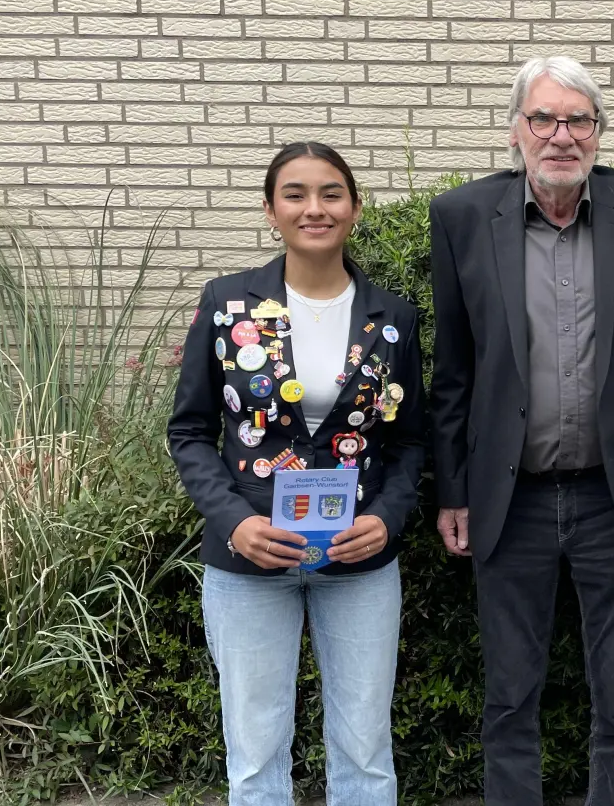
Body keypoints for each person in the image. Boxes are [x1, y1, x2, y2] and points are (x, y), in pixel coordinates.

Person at [427, 55, 614, 806]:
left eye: (578, 119)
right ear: (516, 130)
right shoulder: (463, 219)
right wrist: (453, 489)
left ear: (599, 132)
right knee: (510, 699)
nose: (561, 135)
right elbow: (455, 371)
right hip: (512, 500)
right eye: (544, 118)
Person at [167, 142, 426, 805]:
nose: (315, 207)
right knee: (254, 756)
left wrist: (386, 519)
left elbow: (409, 442)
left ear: (356, 208)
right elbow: (189, 431)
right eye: (296, 194)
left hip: (358, 561)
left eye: (332, 193)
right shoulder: (226, 305)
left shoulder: (391, 317)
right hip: (248, 560)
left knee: (365, 752)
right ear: (270, 211)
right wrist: (236, 521)